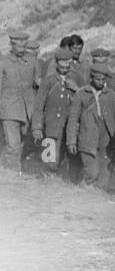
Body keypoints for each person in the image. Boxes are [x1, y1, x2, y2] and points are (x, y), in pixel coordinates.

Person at [66, 58, 115, 189]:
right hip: (87, 135)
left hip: (106, 137)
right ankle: (82, 191)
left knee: (104, 177)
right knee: (92, 172)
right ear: (91, 78)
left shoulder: (111, 95)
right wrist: (71, 141)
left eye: (103, 79)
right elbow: (72, 120)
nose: (100, 82)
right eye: (97, 79)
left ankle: (93, 198)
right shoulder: (81, 94)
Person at [31, 48, 79, 178]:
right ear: (56, 63)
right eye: (61, 64)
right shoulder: (48, 80)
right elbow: (39, 106)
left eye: (67, 65)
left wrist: (76, 89)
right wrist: (37, 127)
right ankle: (47, 180)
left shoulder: (77, 79)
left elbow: (83, 100)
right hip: (51, 125)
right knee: (50, 159)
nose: (64, 68)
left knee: (65, 159)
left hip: (69, 127)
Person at [0, 30, 35, 172]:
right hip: (9, 108)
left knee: (22, 144)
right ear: (11, 45)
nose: (21, 49)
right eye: (18, 47)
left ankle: (12, 170)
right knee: (13, 145)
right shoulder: (3, 63)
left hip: (28, 109)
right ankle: (11, 177)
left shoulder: (32, 61)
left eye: (24, 47)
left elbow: (36, 83)